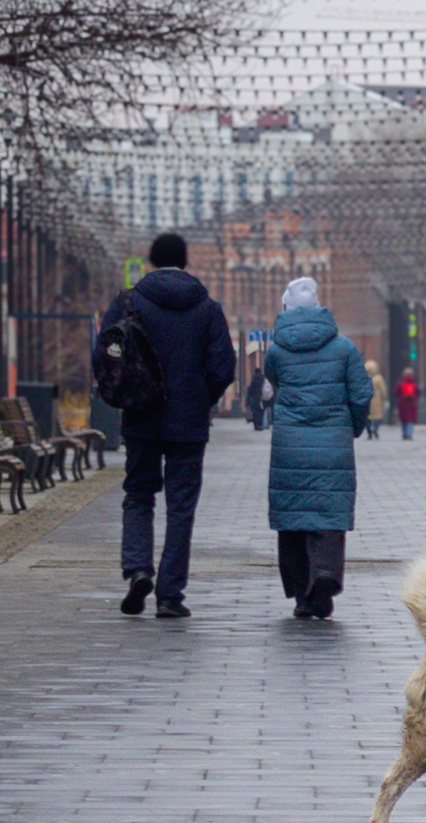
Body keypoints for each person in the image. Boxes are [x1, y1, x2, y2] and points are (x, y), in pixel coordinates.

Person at [98, 232, 236, 619]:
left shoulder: (129, 302)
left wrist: (126, 394)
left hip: (140, 416)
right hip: (188, 424)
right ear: (186, 261)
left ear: (152, 261)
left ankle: (138, 569)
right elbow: (224, 365)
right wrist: (198, 398)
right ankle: (170, 594)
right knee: (181, 506)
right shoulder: (207, 308)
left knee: (139, 494)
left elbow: (105, 353)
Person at [264, 277, 373, 619]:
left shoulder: (276, 351)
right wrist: (353, 426)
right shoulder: (344, 349)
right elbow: (361, 394)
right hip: (333, 443)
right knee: (328, 514)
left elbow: (275, 382)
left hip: (290, 445)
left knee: (292, 517)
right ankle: (325, 574)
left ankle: (301, 594)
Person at [394, 367, 420, 440]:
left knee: (404, 419)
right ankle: (409, 434)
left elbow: (396, 392)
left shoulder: (400, 383)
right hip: (412, 404)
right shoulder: (414, 383)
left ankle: (405, 433)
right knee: (411, 420)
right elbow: (418, 392)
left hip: (402, 404)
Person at [365, 360, 387, 439]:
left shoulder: (365, 378)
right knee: (378, 416)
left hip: (367, 399)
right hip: (377, 399)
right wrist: (384, 398)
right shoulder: (379, 378)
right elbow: (383, 389)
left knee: (368, 417)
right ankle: (375, 428)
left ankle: (369, 432)